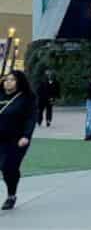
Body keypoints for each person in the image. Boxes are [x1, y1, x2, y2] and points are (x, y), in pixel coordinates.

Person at [0, 70, 37, 211]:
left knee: (8, 167)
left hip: (17, 140)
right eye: (6, 79)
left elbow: (31, 119)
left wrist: (26, 136)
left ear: (19, 82)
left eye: (12, 79)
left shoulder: (26, 98)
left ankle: (11, 195)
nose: (8, 82)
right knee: (5, 166)